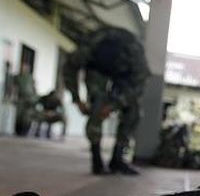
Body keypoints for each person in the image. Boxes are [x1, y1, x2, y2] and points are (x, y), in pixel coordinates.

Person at [63, 27, 149, 175]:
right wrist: (76, 99)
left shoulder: (135, 54)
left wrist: (115, 104)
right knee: (97, 107)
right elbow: (69, 68)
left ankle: (117, 160)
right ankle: (97, 160)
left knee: (133, 112)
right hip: (97, 70)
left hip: (123, 76)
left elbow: (140, 84)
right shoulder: (91, 46)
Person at [12, 58, 38, 136]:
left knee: (27, 116)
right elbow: (14, 88)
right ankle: (17, 131)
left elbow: (34, 88)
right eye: (22, 66)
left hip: (30, 98)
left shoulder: (30, 77)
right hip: (21, 98)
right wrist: (12, 97)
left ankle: (25, 131)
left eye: (25, 67)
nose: (23, 68)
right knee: (18, 115)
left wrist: (35, 97)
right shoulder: (17, 77)